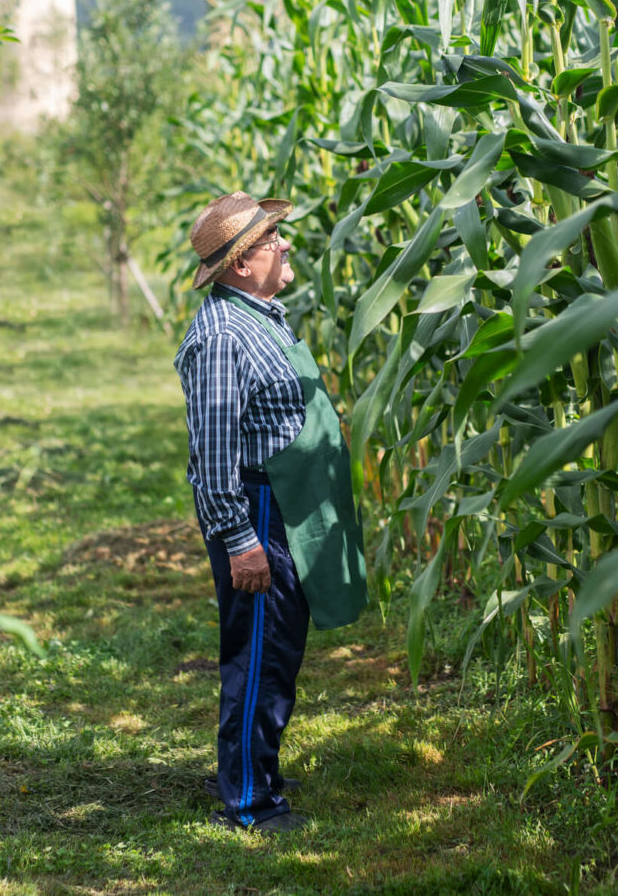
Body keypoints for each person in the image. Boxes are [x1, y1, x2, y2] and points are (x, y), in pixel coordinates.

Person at [174, 191, 368, 833]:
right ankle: (251, 801)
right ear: (237, 265)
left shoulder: (257, 314)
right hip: (257, 509)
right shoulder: (224, 337)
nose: (284, 245)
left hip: (280, 502)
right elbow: (214, 453)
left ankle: (248, 769)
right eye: (269, 241)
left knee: (275, 650)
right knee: (260, 653)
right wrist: (240, 539)